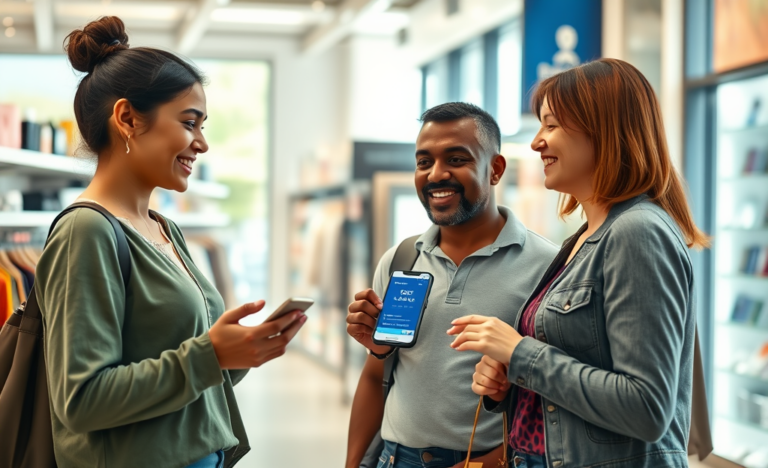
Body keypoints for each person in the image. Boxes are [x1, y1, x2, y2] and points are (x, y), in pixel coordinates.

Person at [34, 16, 306, 468]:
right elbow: (80, 400)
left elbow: (186, 368)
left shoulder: (163, 227)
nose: (201, 143)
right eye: (189, 122)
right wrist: (210, 354)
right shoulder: (86, 232)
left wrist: (242, 350)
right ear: (127, 119)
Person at [448, 58, 709, 468]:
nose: (536, 142)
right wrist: (508, 385)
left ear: (603, 130)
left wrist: (520, 353)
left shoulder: (637, 232)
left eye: (551, 125)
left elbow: (646, 406)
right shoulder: (583, 239)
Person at [345, 102, 558, 468]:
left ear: (495, 169)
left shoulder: (547, 266)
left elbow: (551, 402)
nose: (435, 175)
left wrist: (492, 461)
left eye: (456, 159)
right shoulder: (400, 259)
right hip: (396, 458)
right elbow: (374, 375)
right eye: (424, 162)